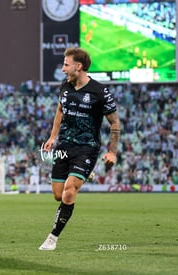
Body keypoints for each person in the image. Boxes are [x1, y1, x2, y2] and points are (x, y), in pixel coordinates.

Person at [38, 47, 121, 251]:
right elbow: (60, 109)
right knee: (58, 195)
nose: (63, 68)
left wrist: (112, 152)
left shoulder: (100, 92)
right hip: (64, 147)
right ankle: (86, 174)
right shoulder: (64, 86)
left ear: (79, 66)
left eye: (66, 64)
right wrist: (52, 136)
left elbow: (115, 123)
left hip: (87, 148)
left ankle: (52, 238)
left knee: (68, 192)